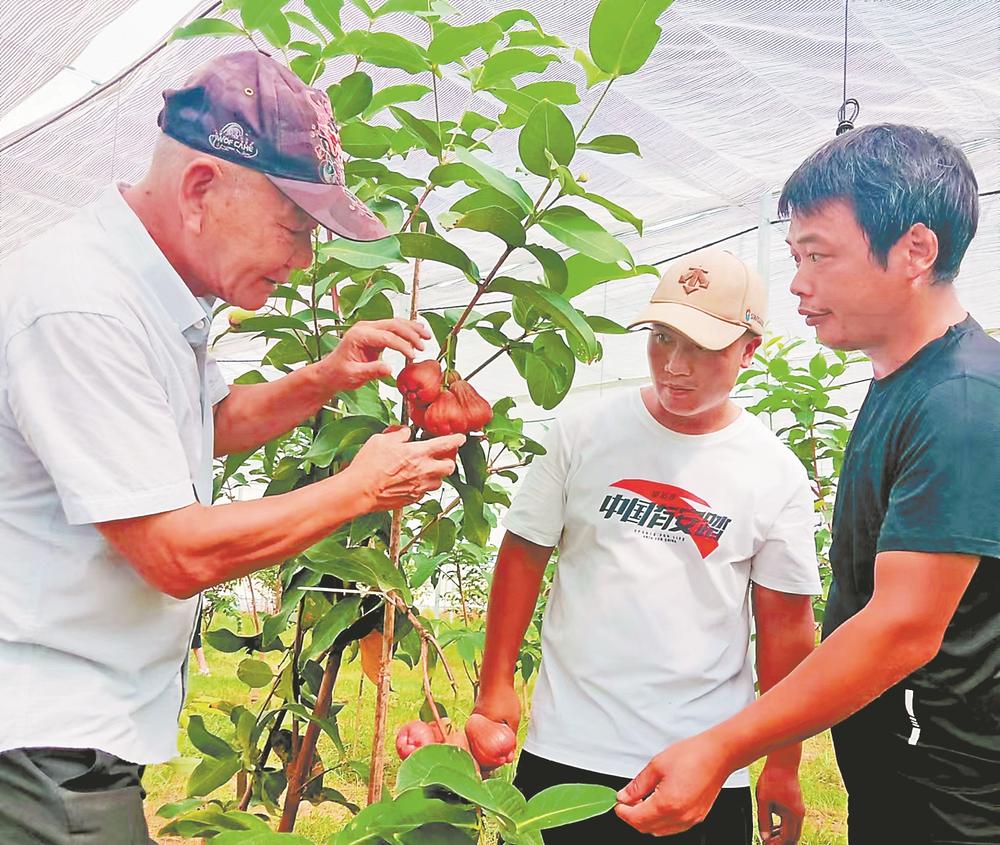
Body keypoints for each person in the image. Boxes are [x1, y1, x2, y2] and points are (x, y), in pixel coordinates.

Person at [0, 51, 464, 845]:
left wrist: (321, 378)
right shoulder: (85, 307)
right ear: (200, 191)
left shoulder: (152, 296)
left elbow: (201, 423)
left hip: (82, 730)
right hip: (41, 741)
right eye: (294, 226)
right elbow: (173, 553)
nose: (307, 258)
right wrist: (361, 488)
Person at [612, 124, 999, 845]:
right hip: (904, 777)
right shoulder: (904, 380)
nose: (797, 283)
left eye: (819, 254)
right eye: (795, 256)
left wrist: (725, 745)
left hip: (956, 799)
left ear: (916, 250)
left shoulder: (965, 400)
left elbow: (903, 629)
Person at [466, 246, 822, 844]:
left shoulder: (773, 472)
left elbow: (786, 627)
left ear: (748, 349)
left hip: (701, 765)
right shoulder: (584, 433)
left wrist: (783, 764)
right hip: (566, 748)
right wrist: (496, 683)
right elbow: (525, 550)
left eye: (703, 347)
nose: (674, 365)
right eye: (661, 337)